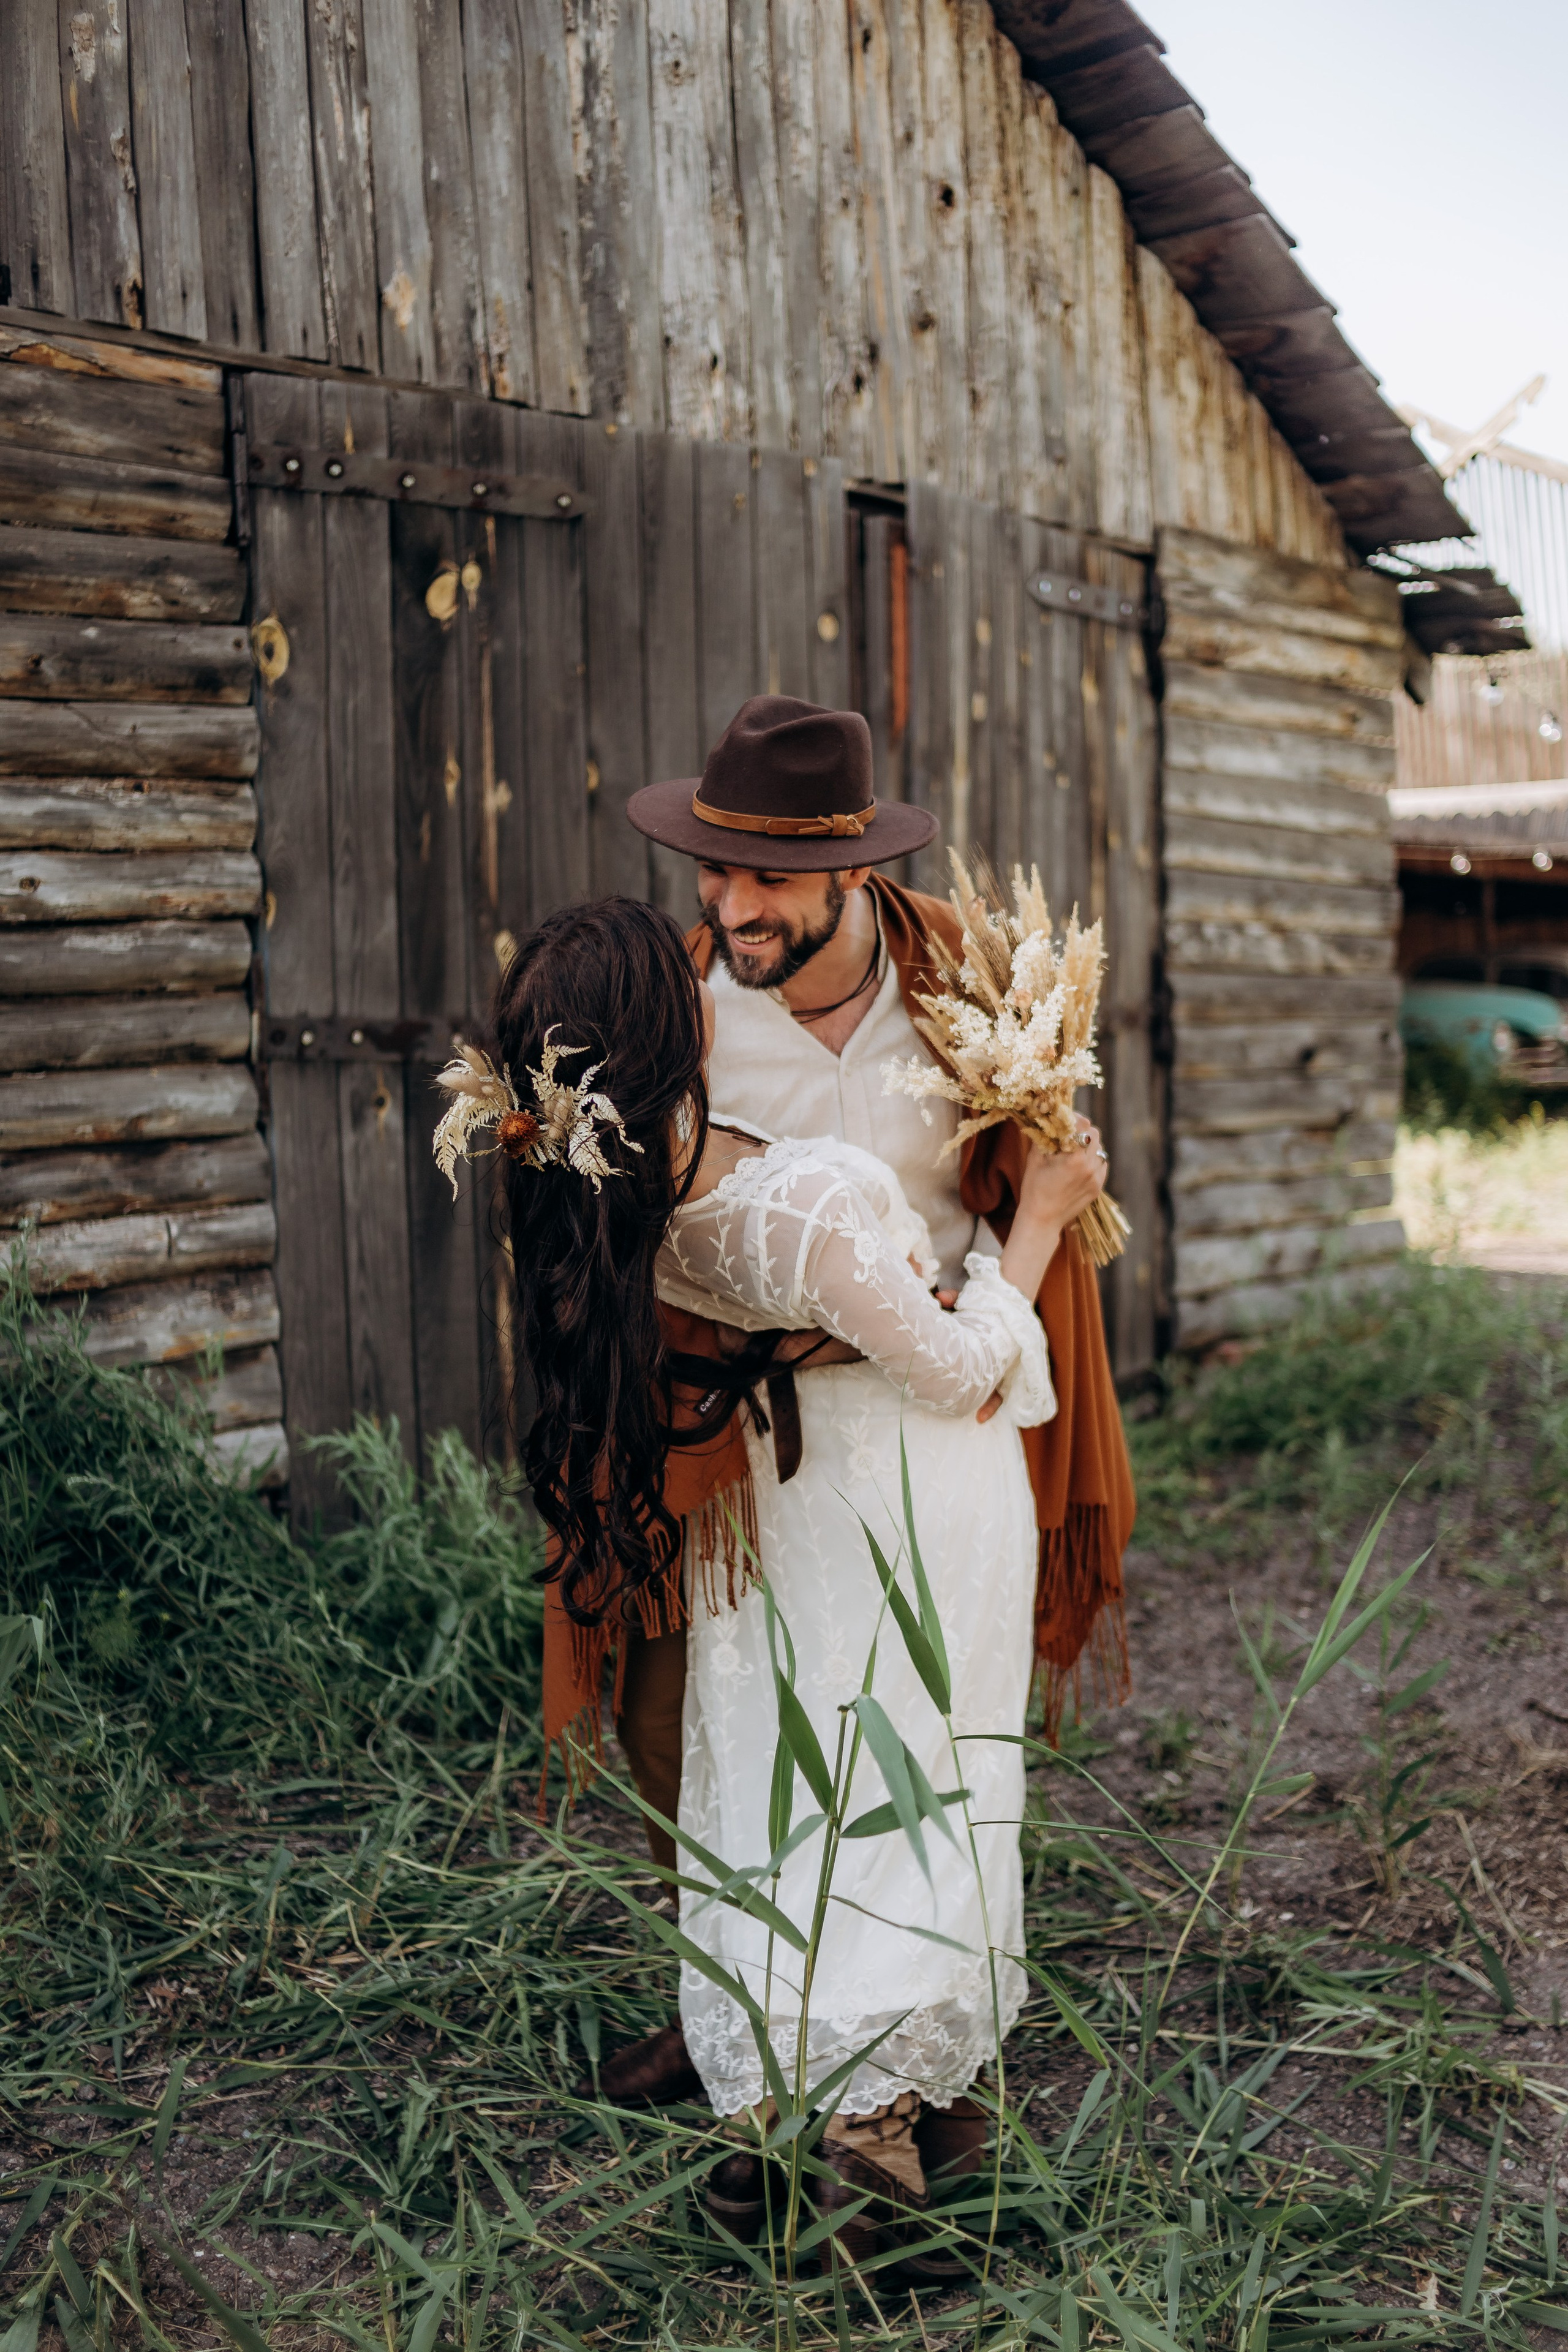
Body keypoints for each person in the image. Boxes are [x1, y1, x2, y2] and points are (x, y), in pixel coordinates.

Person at [440, 889, 1109, 2263]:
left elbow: (781, 1309)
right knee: (923, 1769)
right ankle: (872, 2117)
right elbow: (966, 1368)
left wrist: (831, 1329)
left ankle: (837, 2075)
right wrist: (1031, 1225)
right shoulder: (790, 1198)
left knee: (795, 1779)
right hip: (907, 1494)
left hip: (787, 1503)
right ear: (664, 1034)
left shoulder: (635, 1187)